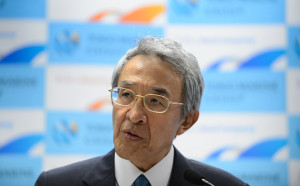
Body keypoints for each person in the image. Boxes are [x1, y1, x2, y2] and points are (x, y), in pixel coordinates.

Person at [35, 36, 249, 186]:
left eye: (155, 101)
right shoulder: (55, 183)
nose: (134, 115)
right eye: (126, 95)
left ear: (186, 121)